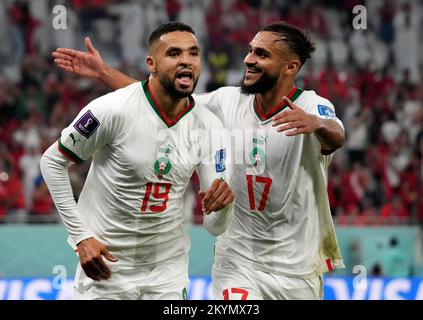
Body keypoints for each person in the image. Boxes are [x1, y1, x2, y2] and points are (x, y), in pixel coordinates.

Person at [52, 21, 345, 300]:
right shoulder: (226, 101)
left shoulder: (312, 107)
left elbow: (336, 134)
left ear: (291, 67)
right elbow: (160, 98)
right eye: (250, 50)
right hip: (238, 260)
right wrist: (104, 72)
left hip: (297, 265)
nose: (248, 59)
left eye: (261, 54)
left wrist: (317, 124)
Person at [41, 22, 235, 300]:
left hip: (167, 273)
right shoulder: (113, 109)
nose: (186, 61)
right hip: (106, 269)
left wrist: (224, 207)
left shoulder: (210, 128)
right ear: (151, 64)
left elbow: (215, 225)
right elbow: (52, 162)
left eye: (193, 53)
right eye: (174, 53)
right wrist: (80, 237)